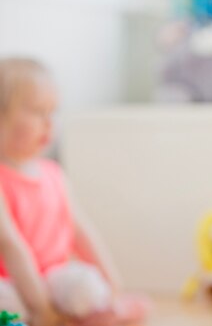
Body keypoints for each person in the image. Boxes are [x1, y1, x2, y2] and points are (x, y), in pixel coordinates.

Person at [0, 58, 148, 326]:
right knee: (5, 301)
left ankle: (84, 311)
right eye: (36, 111)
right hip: (12, 281)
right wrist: (42, 308)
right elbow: (11, 246)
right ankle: (48, 315)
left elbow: (82, 232)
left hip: (56, 275)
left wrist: (113, 286)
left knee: (86, 287)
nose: (48, 122)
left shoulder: (53, 174)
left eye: (52, 111)